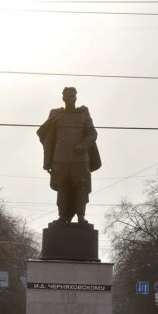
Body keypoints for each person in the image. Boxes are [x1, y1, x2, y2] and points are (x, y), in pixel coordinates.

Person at [36, 87, 101, 225]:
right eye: (67, 96)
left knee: (81, 187)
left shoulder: (83, 113)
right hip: (60, 158)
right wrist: (47, 161)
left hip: (80, 158)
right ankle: (62, 217)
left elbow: (93, 133)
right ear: (63, 98)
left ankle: (81, 217)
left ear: (76, 98)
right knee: (62, 187)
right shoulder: (55, 114)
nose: (70, 98)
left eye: (72, 96)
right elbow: (47, 136)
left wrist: (82, 146)